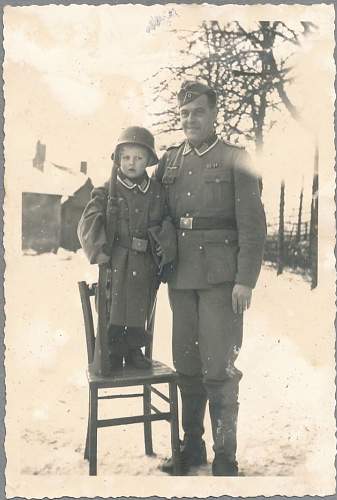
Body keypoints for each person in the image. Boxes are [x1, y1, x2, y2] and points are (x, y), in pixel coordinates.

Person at [155, 81, 267, 476]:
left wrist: (246, 280)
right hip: (181, 277)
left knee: (218, 368)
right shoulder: (169, 162)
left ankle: (225, 455)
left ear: (214, 114)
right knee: (186, 365)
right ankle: (192, 447)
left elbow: (253, 227)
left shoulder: (236, 159)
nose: (190, 120)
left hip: (222, 281)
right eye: (184, 113)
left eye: (198, 112)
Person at [78, 126, 177, 371]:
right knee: (113, 307)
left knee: (138, 307)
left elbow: (166, 222)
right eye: (126, 157)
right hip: (116, 261)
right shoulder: (106, 190)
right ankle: (111, 351)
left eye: (138, 158)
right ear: (118, 159)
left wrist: (164, 251)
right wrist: (99, 250)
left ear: (149, 161)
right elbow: (88, 219)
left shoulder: (156, 193)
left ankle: (134, 351)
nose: (131, 163)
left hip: (145, 263)